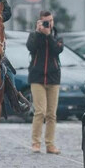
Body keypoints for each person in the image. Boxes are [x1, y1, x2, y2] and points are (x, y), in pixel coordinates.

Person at [26, 10, 63, 154]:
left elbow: (58, 50)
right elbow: (31, 47)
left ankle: (50, 144)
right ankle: (36, 143)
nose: (49, 23)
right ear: (40, 22)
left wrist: (49, 36)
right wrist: (38, 33)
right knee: (40, 111)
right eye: (46, 21)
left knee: (51, 114)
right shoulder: (34, 35)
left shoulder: (57, 36)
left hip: (53, 78)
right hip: (37, 77)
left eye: (51, 20)